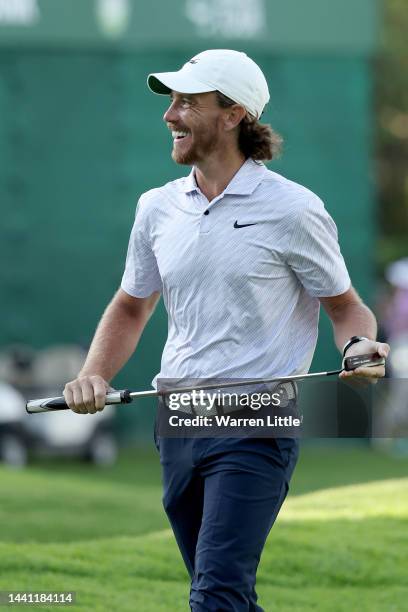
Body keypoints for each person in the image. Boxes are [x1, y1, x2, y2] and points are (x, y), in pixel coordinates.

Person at [63, 50, 390, 611]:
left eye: (188, 102)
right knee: (223, 594)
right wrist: (94, 374)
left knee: (215, 595)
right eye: (171, 101)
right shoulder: (157, 208)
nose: (170, 115)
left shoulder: (292, 209)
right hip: (179, 418)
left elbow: (345, 308)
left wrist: (359, 345)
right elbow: (131, 306)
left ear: (234, 113)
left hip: (257, 419)